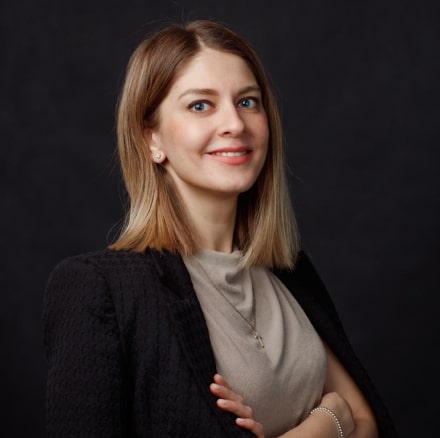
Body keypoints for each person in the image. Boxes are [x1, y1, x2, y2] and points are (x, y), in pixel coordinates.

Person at [43, 20, 397, 437]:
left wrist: (337, 414)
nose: (235, 123)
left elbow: (368, 421)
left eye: (248, 102)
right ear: (151, 139)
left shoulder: (290, 271)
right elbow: (347, 415)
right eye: (200, 105)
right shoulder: (100, 289)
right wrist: (330, 418)